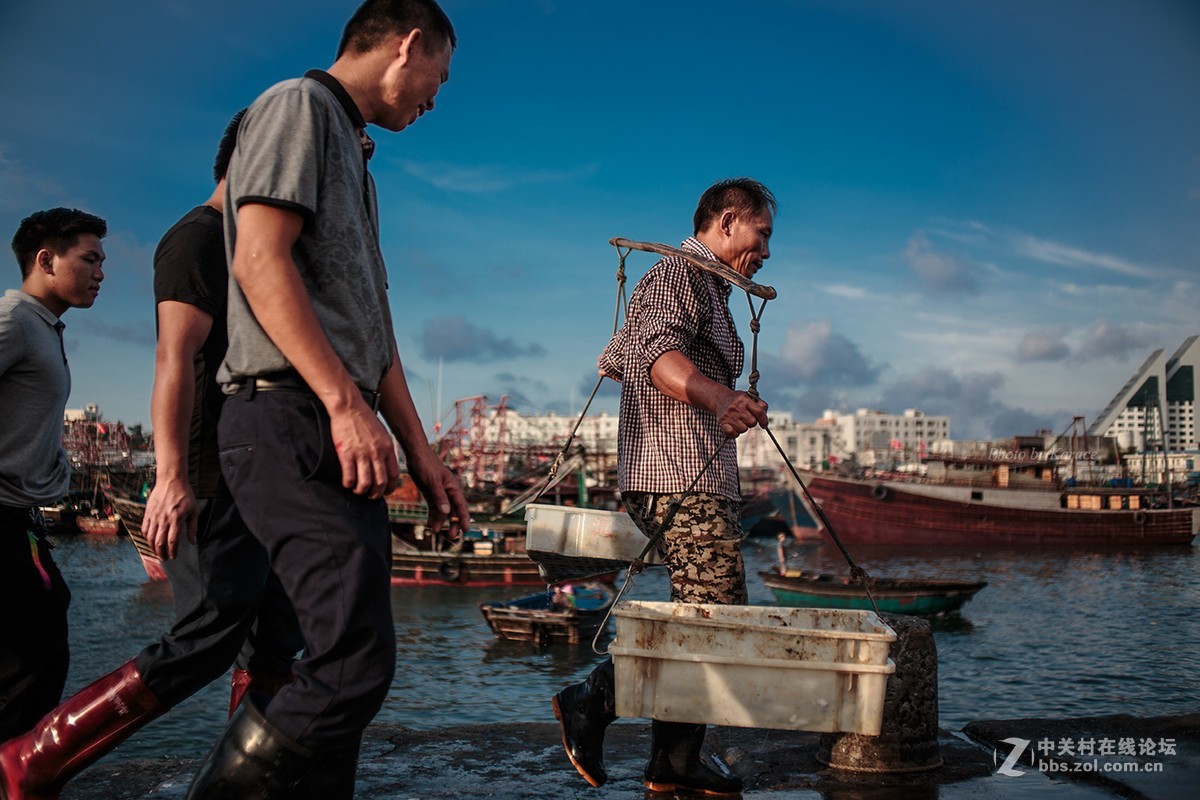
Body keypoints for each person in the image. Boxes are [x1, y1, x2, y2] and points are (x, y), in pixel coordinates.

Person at [183, 1, 469, 796]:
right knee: (354, 658)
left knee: (349, 649)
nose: (435, 98)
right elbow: (259, 263)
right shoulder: (296, 107)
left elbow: (372, 332)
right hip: (286, 416)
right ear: (408, 44)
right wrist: (346, 408)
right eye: (437, 77)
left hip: (335, 423)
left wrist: (422, 452)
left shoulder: (356, 158)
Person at [0, 112, 305, 799]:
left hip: (249, 476)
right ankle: (33, 759)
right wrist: (170, 477)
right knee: (206, 637)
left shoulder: (251, 248)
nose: (104, 270)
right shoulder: (194, 240)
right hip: (198, 480)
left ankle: (248, 778)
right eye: (90, 257)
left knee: (274, 633)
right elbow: (176, 359)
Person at [552, 178, 776, 797]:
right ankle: (591, 699)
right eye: (762, 233)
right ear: (728, 222)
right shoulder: (677, 275)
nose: (766, 250)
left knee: (701, 617)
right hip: (676, 476)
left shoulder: (709, 286)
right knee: (714, 617)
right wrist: (720, 395)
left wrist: (731, 402)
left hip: (697, 474)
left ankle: (674, 760)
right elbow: (654, 352)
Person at [0, 208, 107, 742]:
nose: (101, 272)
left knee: (37, 650)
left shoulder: (45, 327)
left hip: (23, 517)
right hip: (3, 518)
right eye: (89, 258)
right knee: (33, 657)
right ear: (46, 260)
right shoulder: (15, 320)